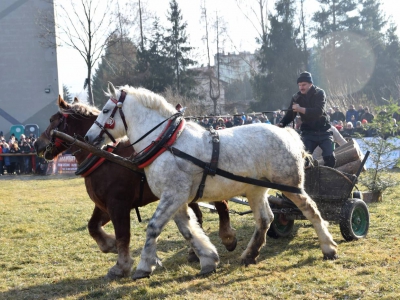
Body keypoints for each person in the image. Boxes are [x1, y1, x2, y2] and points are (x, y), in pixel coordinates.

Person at [278, 71, 336, 168]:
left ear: (310, 84)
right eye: (299, 85)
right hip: (308, 132)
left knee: (330, 158)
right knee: (303, 159)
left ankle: (328, 179)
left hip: (323, 131)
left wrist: (300, 109)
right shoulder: (296, 97)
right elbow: (290, 114)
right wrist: (281, 124)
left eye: (304, 84)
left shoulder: (320, 93)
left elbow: (318, 111)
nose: (301, 87)